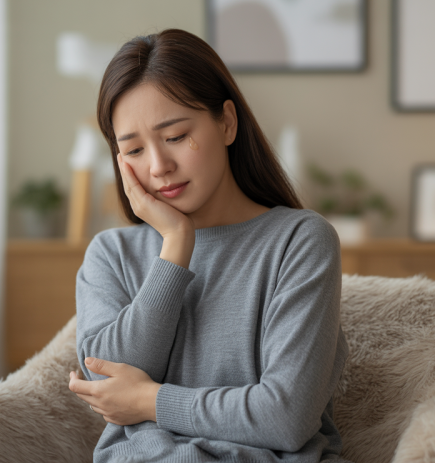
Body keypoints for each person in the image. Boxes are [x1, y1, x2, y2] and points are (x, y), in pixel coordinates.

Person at [67, 28, 349, 463]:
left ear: (227, 123)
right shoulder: (111, 255)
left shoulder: (300, 241)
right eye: (134, 150)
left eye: (176, 136)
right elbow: (107, 385)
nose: (159, 166)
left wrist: (148, 400)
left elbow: (286, 417)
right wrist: (175, 247)